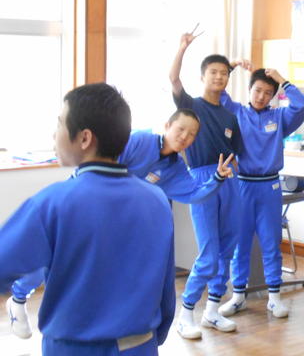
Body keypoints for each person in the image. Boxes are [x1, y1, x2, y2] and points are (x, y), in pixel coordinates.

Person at [0, 83, 175, 356]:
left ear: (84, 138)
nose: (54, 133)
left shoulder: (53, 202)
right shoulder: (157, 200)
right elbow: (165, 288)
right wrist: (149, 338)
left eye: (59, 123)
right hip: (141, 354)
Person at [5, 108, 234, 340]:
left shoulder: (175, 169)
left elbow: (194, 194)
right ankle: (19, 297)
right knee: (57, 252)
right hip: (88, 201)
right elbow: (106, 162)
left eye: (192, 134)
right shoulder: (139, 140)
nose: (185, 137)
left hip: (120, 222)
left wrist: (217, 178)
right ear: (167, 125)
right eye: (181, 129)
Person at [217, 64, 304, 319]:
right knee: (241, 244)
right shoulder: (236, 112)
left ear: (273, 96)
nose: (261, 96)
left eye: (268, 93)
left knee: (270, 242)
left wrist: (281, 79)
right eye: (257, 90)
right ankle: (238, 296)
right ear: (249, 90)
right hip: (242, 184)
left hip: (270, 186)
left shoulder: (279, 118)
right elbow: (218, 91)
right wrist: (232, 66)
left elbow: (301, 104)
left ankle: (274, 299)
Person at [169, 29, 243, 339]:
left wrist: (233, 176)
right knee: (209, 252)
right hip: (201, 179)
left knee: (227, 248)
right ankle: (186, 313)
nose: (219, 77)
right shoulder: (192, 106)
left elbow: (237, 153)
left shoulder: (229, 115)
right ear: (203, 76)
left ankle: (212, 311)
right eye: (213, 72)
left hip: (230, 181)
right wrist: (182, 47)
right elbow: (174, 79)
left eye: (224, 73)